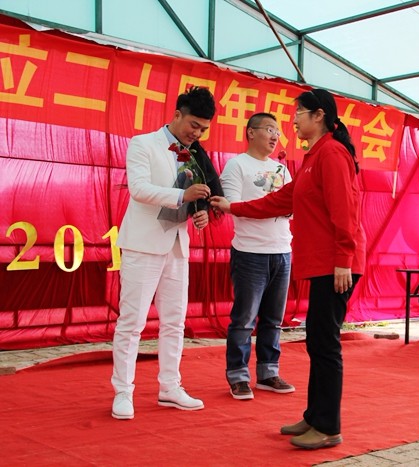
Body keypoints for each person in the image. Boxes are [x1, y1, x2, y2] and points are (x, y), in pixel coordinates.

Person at [210, 88, 365, 449]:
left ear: (319, 115)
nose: (292, 121)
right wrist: (233, 207)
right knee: (317, 342)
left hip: (336, 265)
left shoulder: (332, 153)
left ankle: (328, 427)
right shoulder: (314, 156)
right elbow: (281, 200)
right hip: (323, 263)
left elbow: (346, 210)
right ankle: (314, 416)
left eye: (298, 113)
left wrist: (343, 259)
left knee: (325, 345)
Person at [111, 86, 223, 420]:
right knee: (132, 321)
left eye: (203, 129)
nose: (197, 133)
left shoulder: (195, 153)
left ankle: (170, 387)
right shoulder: (143, 143)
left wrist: (200, 212)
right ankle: (123, 391)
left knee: (175, 321)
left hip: (177, 245)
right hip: (143, 244)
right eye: (193, 125)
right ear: (177, 115)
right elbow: (139, 189)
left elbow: (196, 197)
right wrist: (182, 196)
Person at [220, 113, 294, 400]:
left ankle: (268, 372)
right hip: (250, 251)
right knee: (244, 319)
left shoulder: (281, 169)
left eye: (278, 131)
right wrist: (272, 207)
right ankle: (238, 375)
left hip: (282, 251)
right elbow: (231, 205)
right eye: (269, 129)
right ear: (251, 132)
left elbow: (293, 207)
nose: (275, 136)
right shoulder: (237, 165)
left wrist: (267, 207)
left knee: (273, 319)